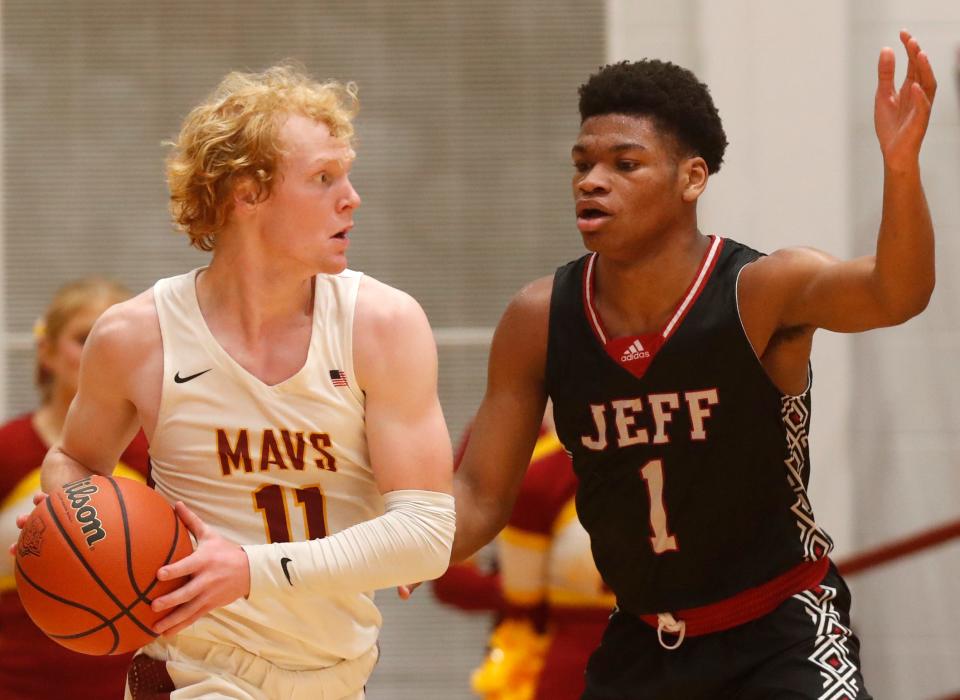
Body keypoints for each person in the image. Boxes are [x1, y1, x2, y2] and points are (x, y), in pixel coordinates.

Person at [450, 31, 936, 699]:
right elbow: (478, 497)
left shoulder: (762, 289)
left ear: (692, 178)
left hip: (781, 630)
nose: (592, 180)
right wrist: (364, 550)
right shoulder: (538, 318)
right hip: (641, 640)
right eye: (582, 163)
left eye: (625, 164)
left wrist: (902, 168)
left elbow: (895, 293)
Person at [32, 65, 454, 700]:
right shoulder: (135, 335)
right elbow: (73, 459)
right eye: (322, 179)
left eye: (346, 174)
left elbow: (425, 535)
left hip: (333, 677)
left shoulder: (383, 324)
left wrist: (249, 569)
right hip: (190, 671)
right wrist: (74, 520)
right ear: (247, 193)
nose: (352, 197)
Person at [0, 277, 149, 699]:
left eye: (110, 337)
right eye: (84, 338)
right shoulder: (8, 449)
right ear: (46, 352)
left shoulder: (153, 453)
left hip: (127, 680)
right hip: (18, 680)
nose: (98, 351)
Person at [433, 414, 614, 700]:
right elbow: (447, 575)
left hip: (658, 653)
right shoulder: (501, 431)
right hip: (545, 658)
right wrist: (525, 591)